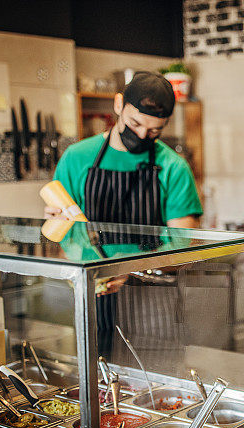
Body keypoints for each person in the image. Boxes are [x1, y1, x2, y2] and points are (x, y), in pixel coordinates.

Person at [46, 71, 202, 357]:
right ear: (118, 105)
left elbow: (182, 247)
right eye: (135, 123)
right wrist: (58, 224)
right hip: (92, 289)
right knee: (96, 381)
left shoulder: (174, 167)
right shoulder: (77, 158)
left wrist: (128, 268)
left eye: (154, 130)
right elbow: (65, 233)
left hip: (152, 295)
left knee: (155, 385)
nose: (142, 135)